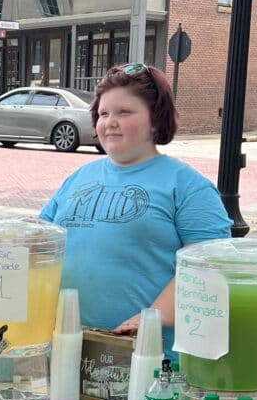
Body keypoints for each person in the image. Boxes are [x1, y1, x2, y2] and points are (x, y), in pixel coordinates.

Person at [39, 63, 231, 344]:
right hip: (67, 345)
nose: (109, 122)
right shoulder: (78, 178)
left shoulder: (187, 185)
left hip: (148, 354)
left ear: (155, 120)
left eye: (124, 112)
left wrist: (154, 317)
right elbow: (38, 240)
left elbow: (211, 264)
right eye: (103, 113)